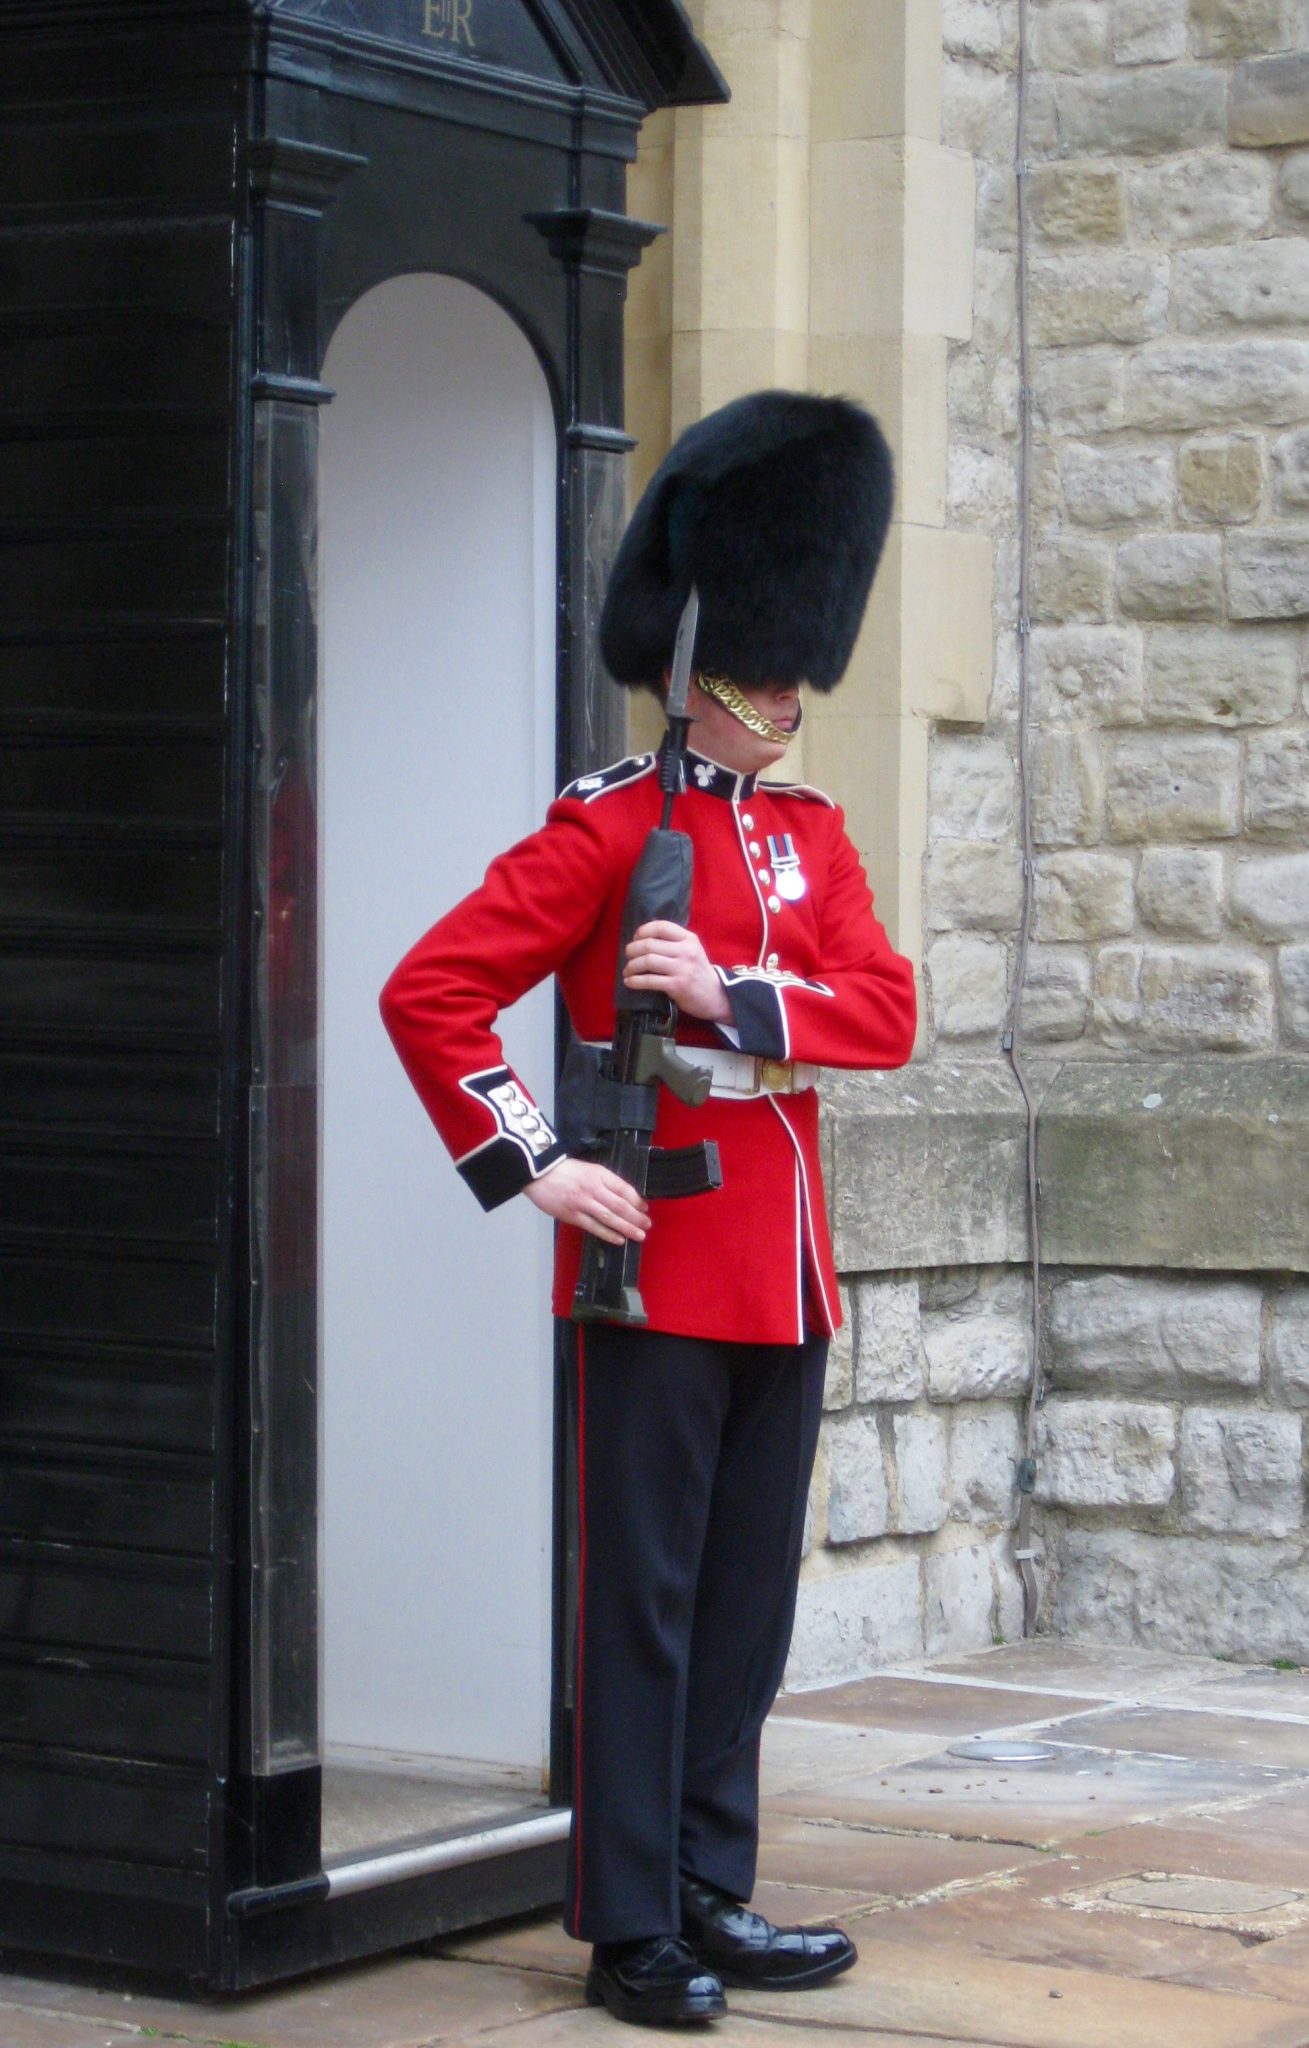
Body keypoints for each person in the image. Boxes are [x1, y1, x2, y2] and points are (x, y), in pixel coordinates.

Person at [380, 390, 916, 2026]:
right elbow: (433, 996)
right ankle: (628, 1923)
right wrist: (539, 1163)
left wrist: (734, 990)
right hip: (653, 1268)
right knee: (647, 1607)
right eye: (763, 671)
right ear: (696, 665)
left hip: (786, 1280)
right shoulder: (614, 825)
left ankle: (708, 1885)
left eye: (797, 670)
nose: (790, 696)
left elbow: (882, 1014)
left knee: (744, 1613)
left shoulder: (815, 846)